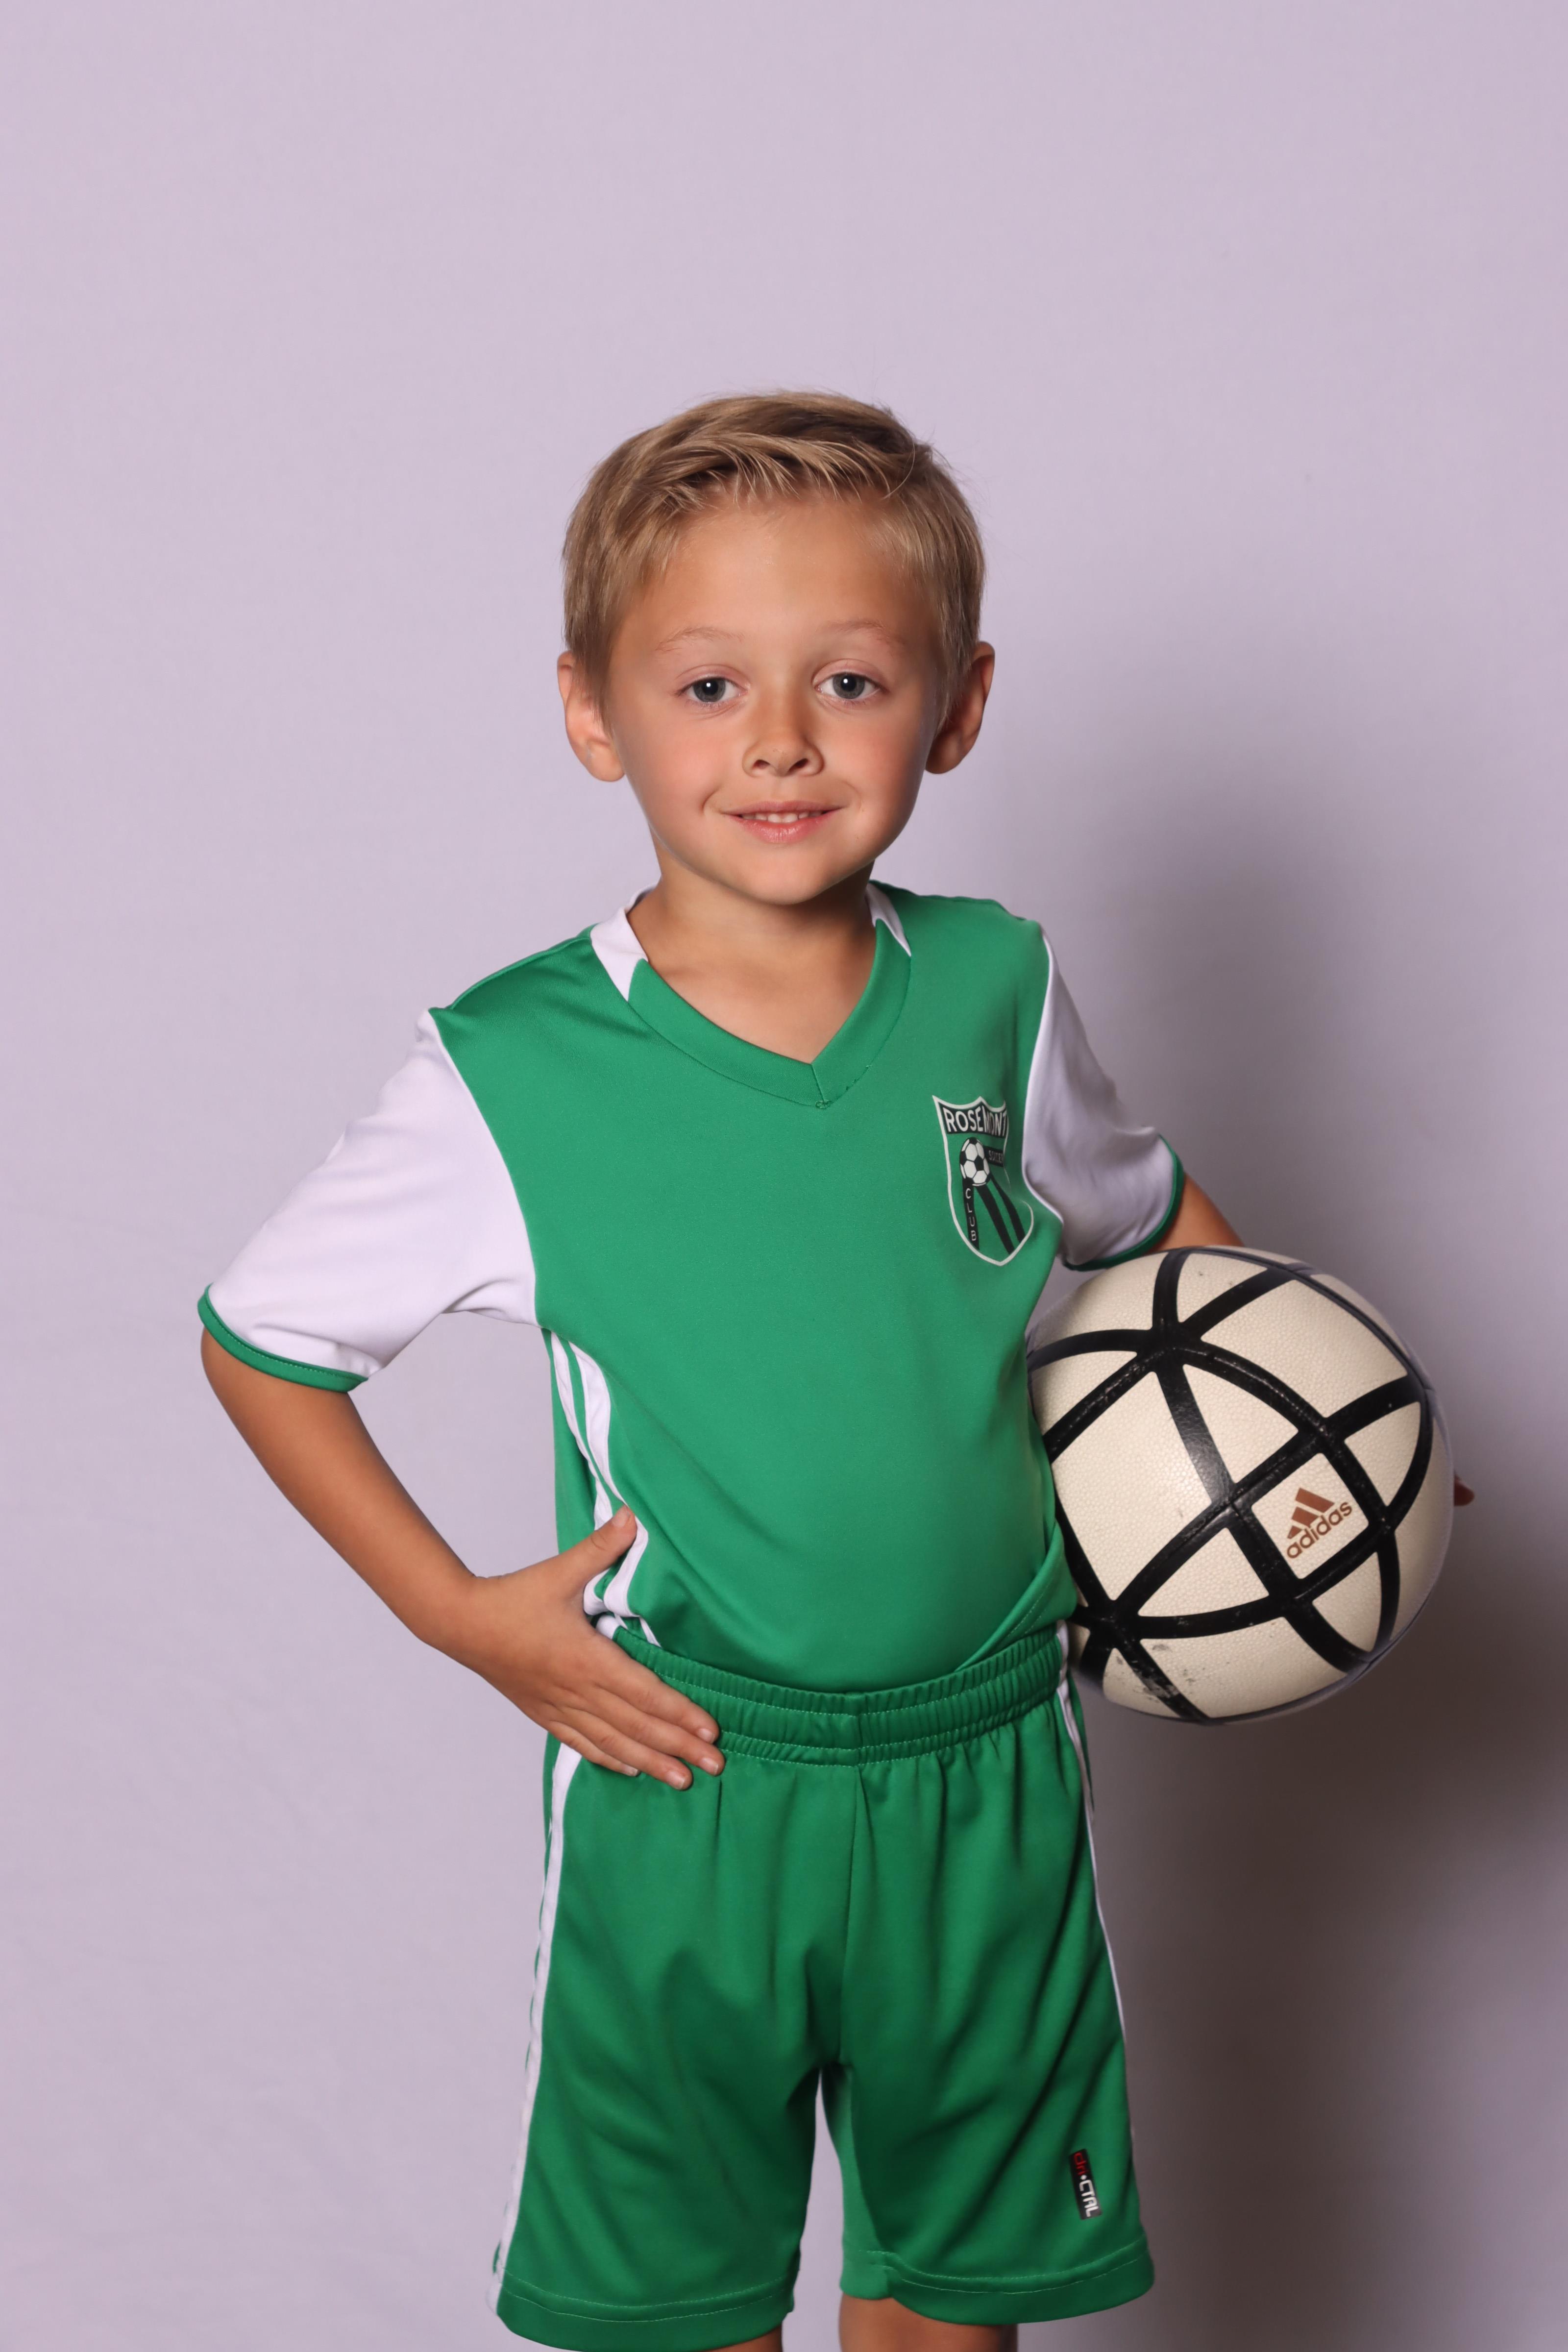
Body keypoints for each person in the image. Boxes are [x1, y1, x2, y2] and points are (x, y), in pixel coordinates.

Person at [200, 392, 1244, 2352]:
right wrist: (458, 1615)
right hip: (685, 1780)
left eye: (850, 680)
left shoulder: (994, 990)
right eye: (705, 686)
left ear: (957, 706)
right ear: (590, 712)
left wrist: (1324, 1437)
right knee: (676, 2320)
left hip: (990, 1768)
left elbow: (1155, 1231)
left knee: (952, 2305)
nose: (778, 739)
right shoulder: (514, 1064)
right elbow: (261, 1343)